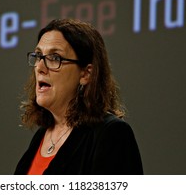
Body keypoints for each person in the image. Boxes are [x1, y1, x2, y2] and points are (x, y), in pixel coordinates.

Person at [14, 19, 143, 175]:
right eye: (39, 56)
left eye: (55, 58)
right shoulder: (40, 137)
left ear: (86, 73)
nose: (40, 67)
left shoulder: (111, 134)